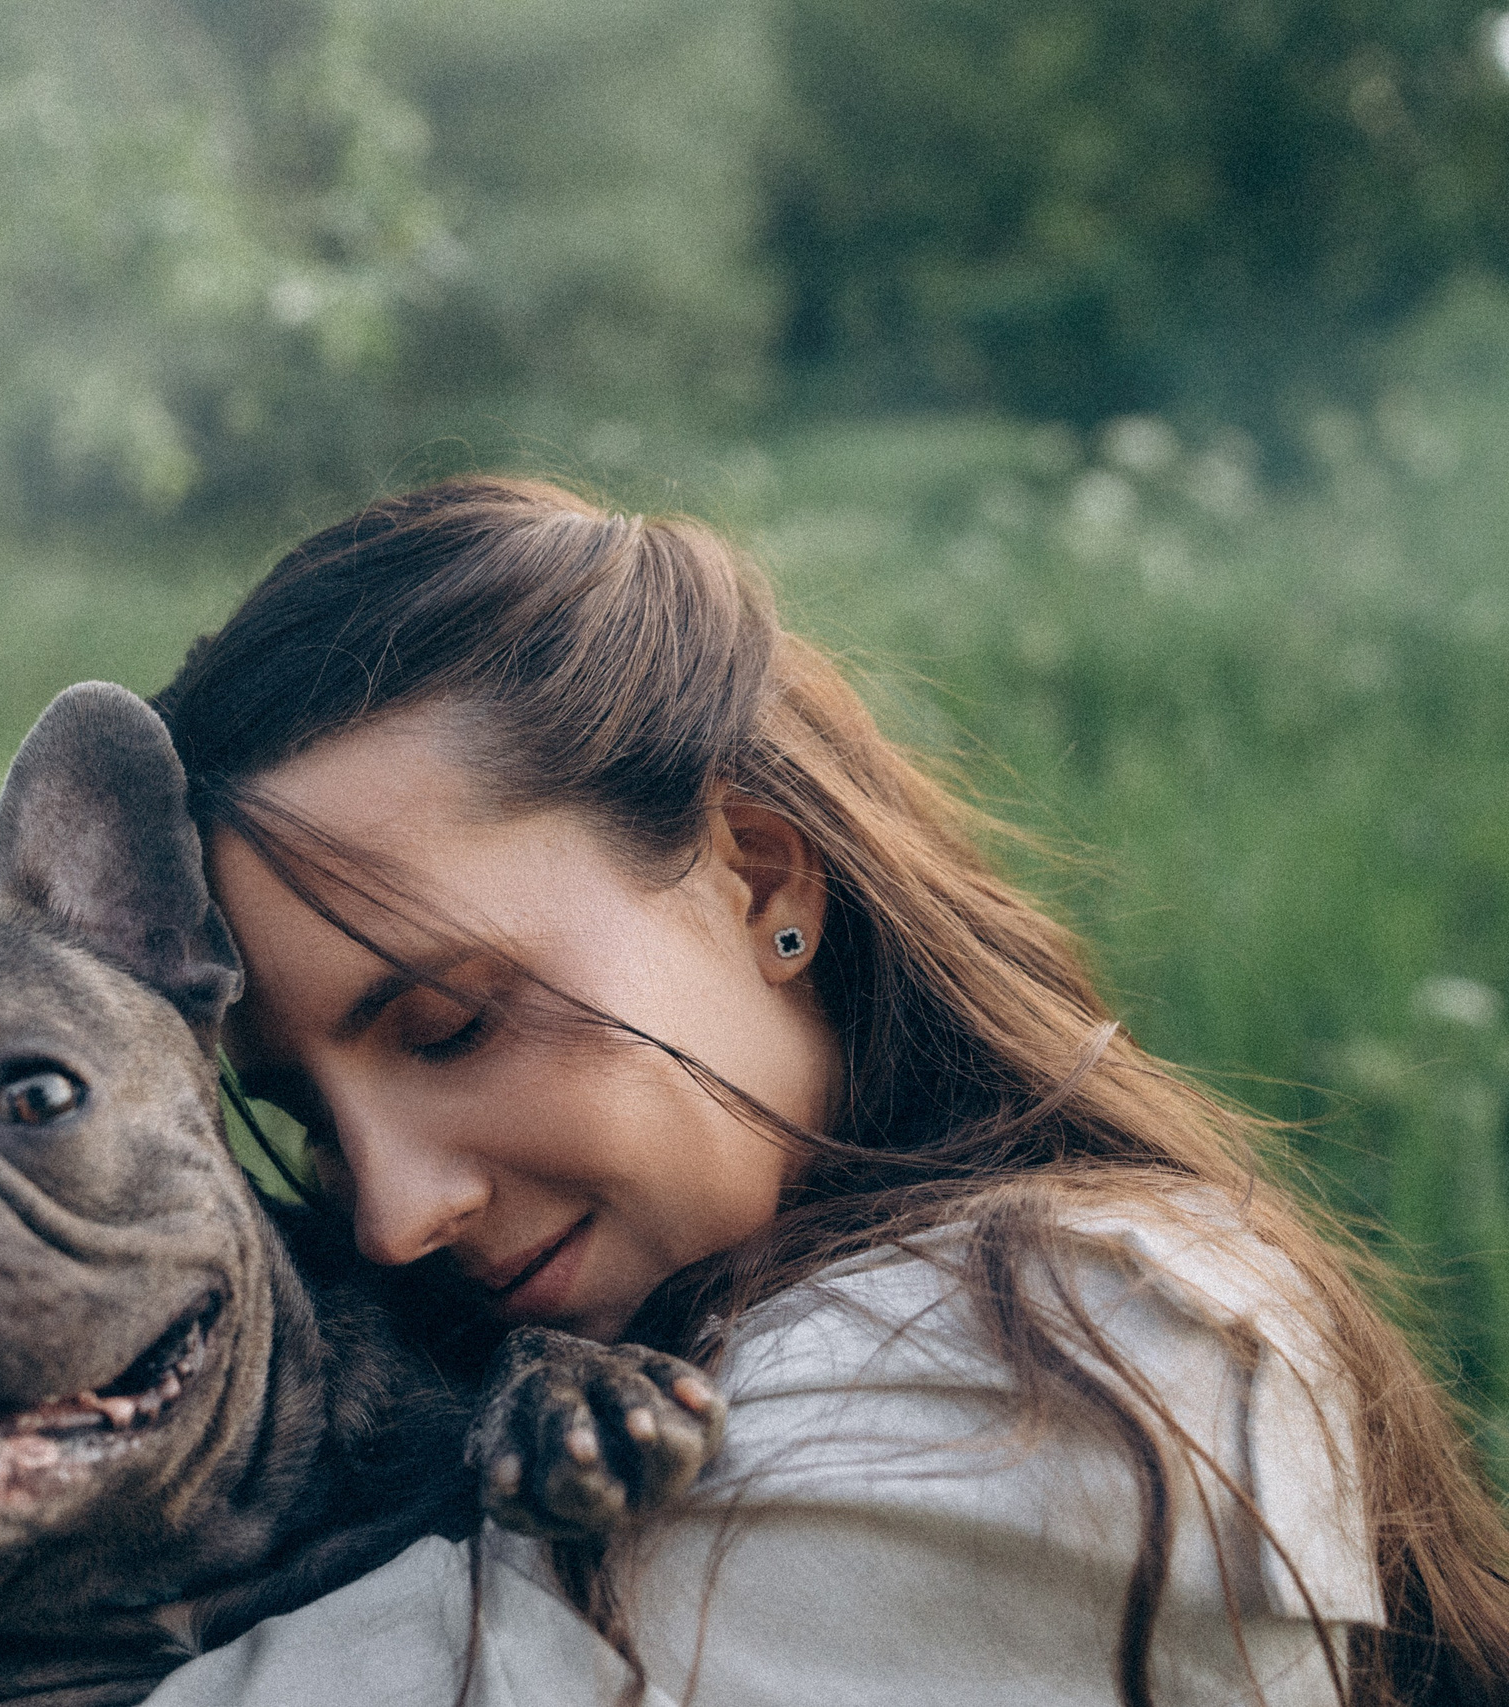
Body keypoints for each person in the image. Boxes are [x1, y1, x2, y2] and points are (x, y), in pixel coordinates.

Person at [137, 476, 1509, 1706]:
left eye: (451, 1028)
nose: (388, 1218)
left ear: (764, 876)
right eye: (308, 1125)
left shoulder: (1074, 1365)